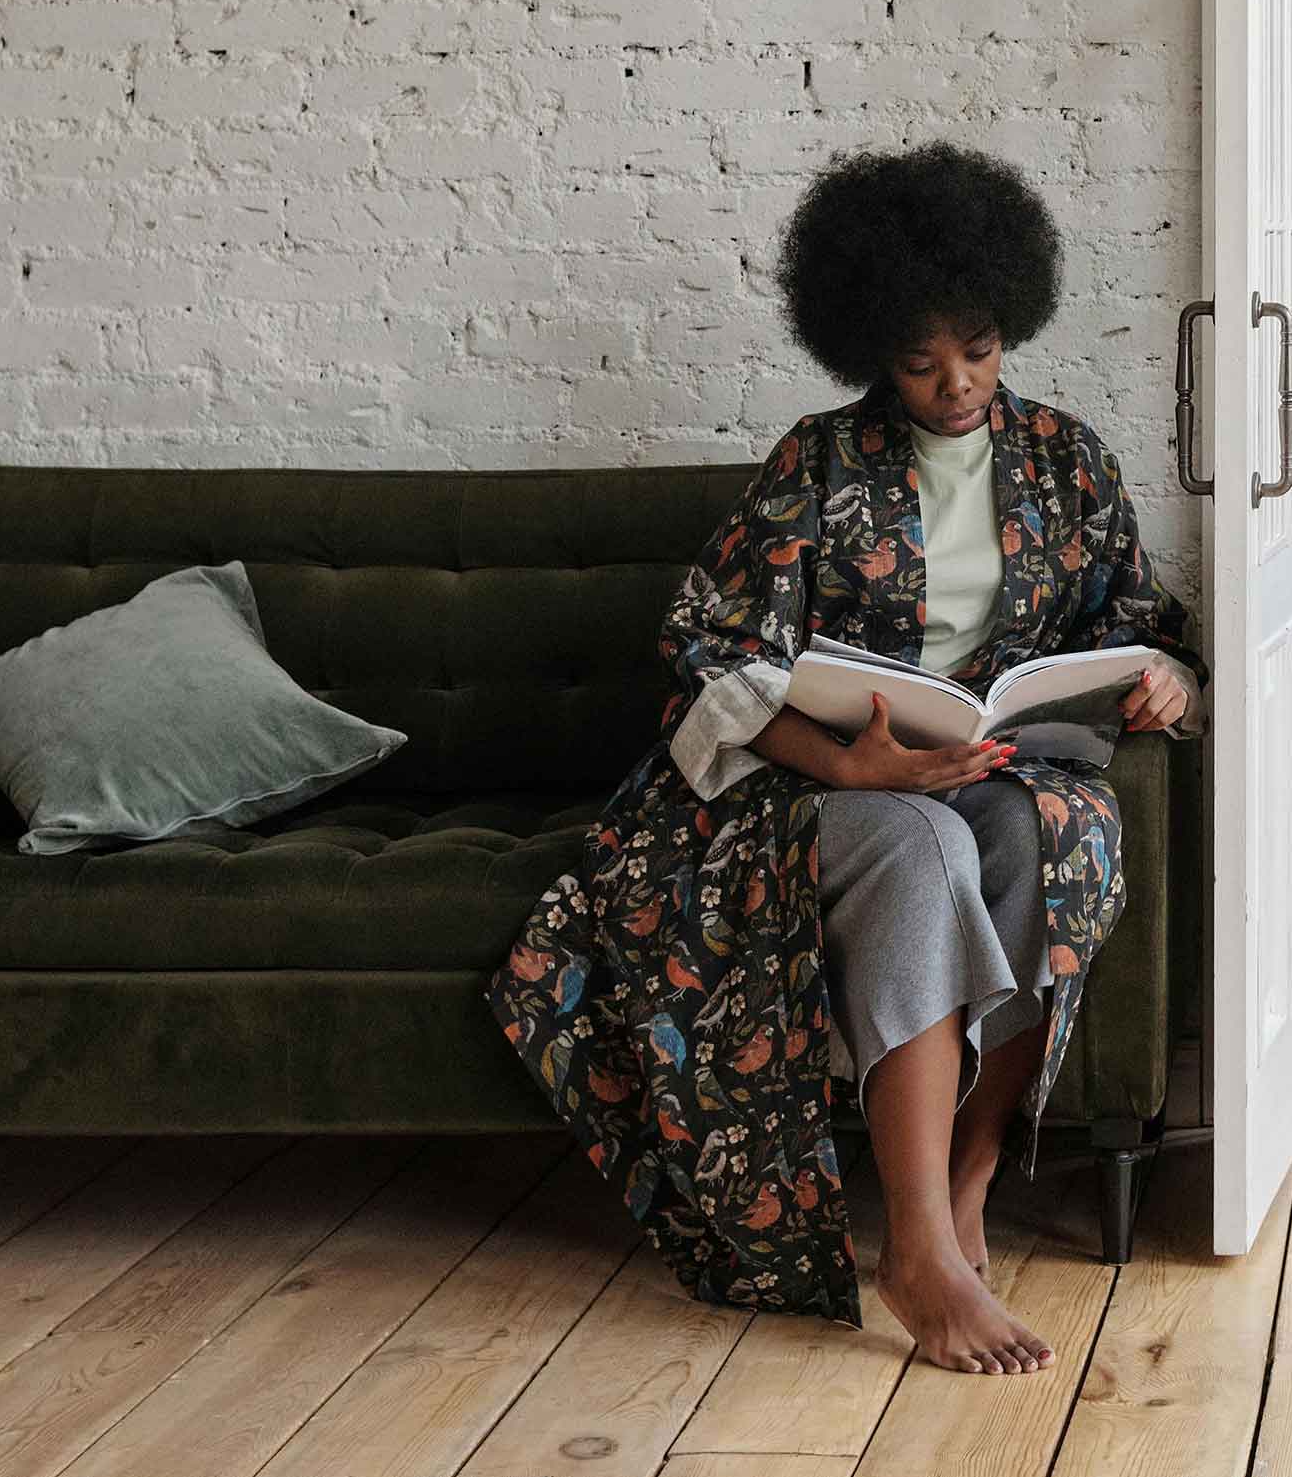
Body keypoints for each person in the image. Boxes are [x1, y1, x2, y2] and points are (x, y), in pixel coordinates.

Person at [482, 138, 1210, 1378]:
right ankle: (915, 1247)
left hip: (994, 764)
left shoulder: (1067, 460)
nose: (954, 385)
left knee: (1059, 835)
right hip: (814, 787)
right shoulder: (816, 465)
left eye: (976, 351)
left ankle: (969, 1186)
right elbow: (708, 652)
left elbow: (1136, 619)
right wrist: (842, 763)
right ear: (869, 347)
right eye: (920, 361)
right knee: (923, 844)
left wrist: (1166, 681)